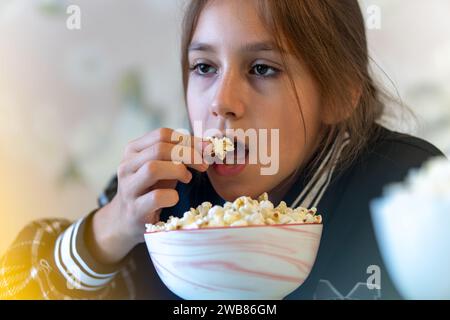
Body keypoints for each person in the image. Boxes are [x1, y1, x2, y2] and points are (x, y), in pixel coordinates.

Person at [0, 0, 444, 300]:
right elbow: (15, 284)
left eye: (262, 68)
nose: (221, 103)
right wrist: (113, 227)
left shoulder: (410, 191)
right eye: (204, 67)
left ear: (340, 93)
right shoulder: (161, 195)